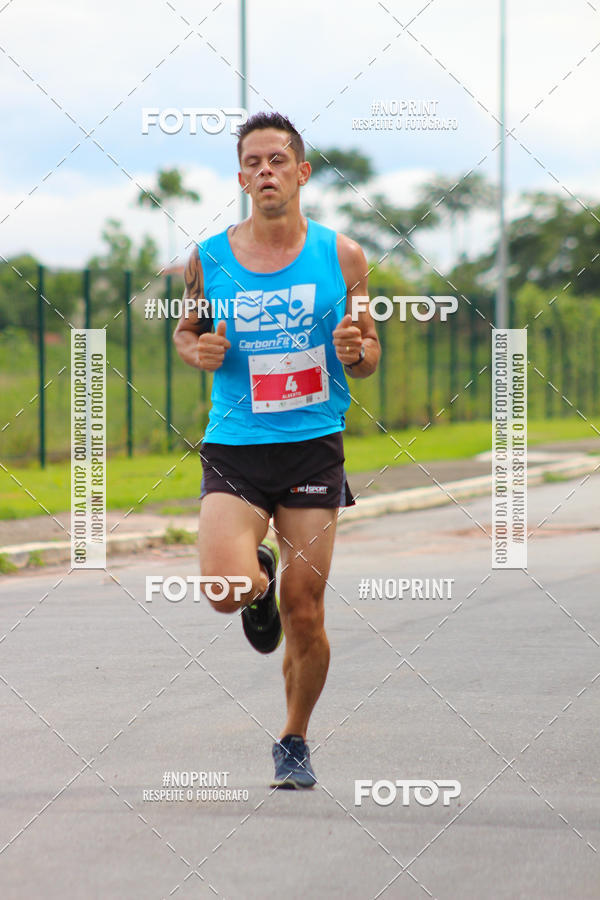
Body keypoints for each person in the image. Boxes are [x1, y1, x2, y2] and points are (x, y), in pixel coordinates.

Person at [174, 111, 380, 789]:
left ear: (301, 173)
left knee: (306, 607)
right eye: (253, 163)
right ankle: (253, 577)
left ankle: (294, 737)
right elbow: (187, 334)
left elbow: (369, 349)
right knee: (225, 590)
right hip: (236, 445)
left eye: (277, 161)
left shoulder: (343, 256)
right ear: (241, 178)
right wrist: (196, 350)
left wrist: (359, 350)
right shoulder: (206, 260)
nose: (265, 172)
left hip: (312, 445)